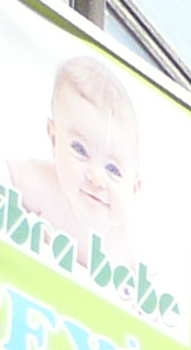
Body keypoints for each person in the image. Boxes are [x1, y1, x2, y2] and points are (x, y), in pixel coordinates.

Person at [8, 52, 146, 254]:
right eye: (80, 150)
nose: (97, 178)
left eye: (113, 170)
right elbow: (0, 175)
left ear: (134, 187)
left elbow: (156, 279)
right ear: (54, 139)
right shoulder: (42, 184)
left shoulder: (127, 242)